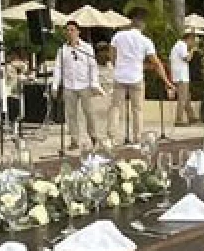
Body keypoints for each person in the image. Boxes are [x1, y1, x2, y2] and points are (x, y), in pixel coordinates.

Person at [108, 10, 169, 142]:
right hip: (136, 77)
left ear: (131, 23)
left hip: (120, 76)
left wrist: (117, 66)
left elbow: (112, 55)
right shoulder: (146, 41)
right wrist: (166, 81)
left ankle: (111, 137)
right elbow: (156, 63)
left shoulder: (118, 36)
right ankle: (137, 138)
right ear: (143, 25)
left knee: (115, 107)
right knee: (137, 110)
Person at [52, 21, 103, 152]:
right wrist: (55, 85)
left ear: (78, 31)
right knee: (71, 115)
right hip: (69, 85)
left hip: (84, 84)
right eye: (67, 30)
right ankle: (74, 140)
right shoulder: (62, 49)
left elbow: (93, 66)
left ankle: (94, 137)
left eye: (72, 30)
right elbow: (58, 68)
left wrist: (94, 83)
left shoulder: (86, 48)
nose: (70, 33)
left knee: (89, 113)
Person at [169, 28, 198, 125]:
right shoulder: (182, 45)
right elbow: (187, 58)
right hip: (181, 76)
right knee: (182, 98)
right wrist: (192, 50)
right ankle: (179, 119)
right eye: (193, 41)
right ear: (189, 39)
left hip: (179, 75)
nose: (193, 43)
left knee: (186, 97)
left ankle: (191, 116)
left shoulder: (177, 45)